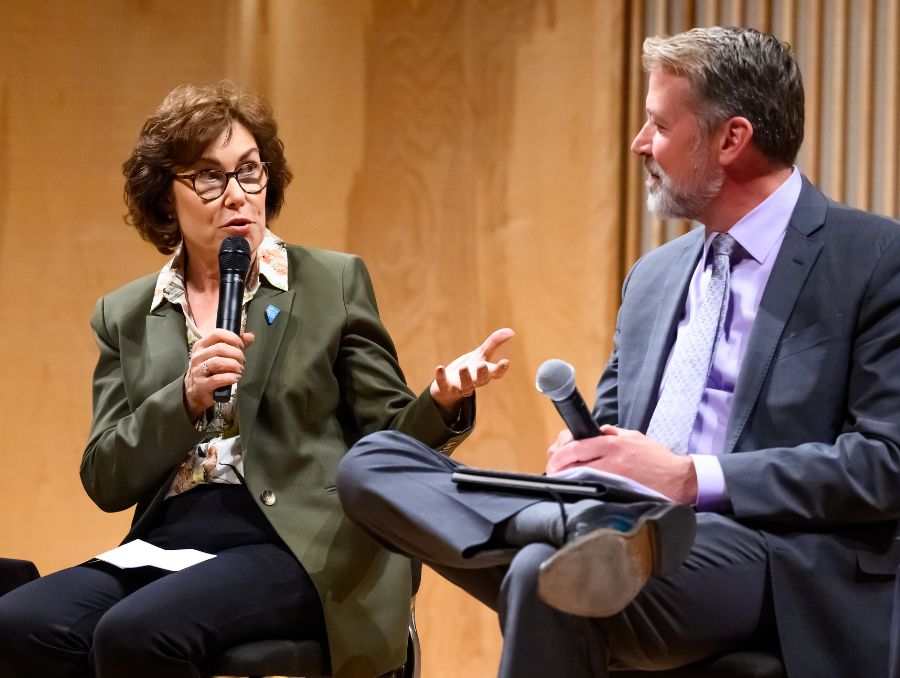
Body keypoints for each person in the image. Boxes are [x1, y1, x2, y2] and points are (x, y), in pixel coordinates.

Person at [335, 26, 900, 678]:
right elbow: (615, 432)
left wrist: (689, 479)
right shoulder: (653, 278)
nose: (639, 143)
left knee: (542, 573)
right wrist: (588, 461)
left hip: (769, 550)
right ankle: (557, 523)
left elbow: (884, 464)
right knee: (373, 464)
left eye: (659, 124)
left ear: (731, 139)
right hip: (621, 526)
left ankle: (557, 531)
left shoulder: (873, 260)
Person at [0, 81, 513, 678]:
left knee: (136, 633)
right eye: (209, 178)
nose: (237, 195)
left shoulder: (330, 283)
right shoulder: (127, 313)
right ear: (166, 199)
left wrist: (443, 400)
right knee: (19, 624)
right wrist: (185, 399)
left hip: (300, 538)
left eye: (249, 171)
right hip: (171, 540)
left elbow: (390, 440)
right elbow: (105, 477)